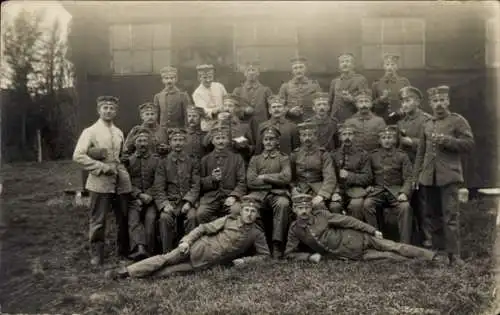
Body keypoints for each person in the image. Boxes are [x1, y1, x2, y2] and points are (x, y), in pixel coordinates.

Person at [105, 195, 271, 280]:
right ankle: (126, 272)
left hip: (207, 263)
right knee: (165, 259)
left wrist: (246, 261)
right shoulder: (228, 219)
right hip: (196, 248)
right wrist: (186, 241)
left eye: (253, 211)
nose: (249, 214)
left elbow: (265, 256)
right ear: (241, 211)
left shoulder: (257, 234)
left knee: (168, 273)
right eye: (246, 211)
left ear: (257, 215)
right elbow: (202, 228)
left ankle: (137, 276)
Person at [285, 194, 444, 264]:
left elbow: (348, 221)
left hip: (362, 237)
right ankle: (416, 262)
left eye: (306, 206)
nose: (304, 211)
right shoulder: (295, 229)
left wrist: (371, 230)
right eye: (300, 208)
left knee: (394, 246)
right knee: (390, 257)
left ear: (311, 207)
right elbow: (290, 254)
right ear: (294, 210)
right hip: (352, 254)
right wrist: (308, 257)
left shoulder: (322, 216)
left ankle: (432, 257)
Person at [413, 85, 474, 266]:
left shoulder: (457, 121)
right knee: (432, 215)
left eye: (442, 100)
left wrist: (448, 141)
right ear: (430, 104)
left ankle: (454, 255)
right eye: (435, 101)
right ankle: (439, 252)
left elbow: (469, 144)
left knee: (450, 216)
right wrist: (416, 176)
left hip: (449, 176)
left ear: (448, 101)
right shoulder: (427, 124)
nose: (439, 104)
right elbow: (420, 153)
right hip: (428, 177)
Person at [73, 95, 132, 265]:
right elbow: (78, 155)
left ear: (116, 111)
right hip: (100, 182)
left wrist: (123, 162)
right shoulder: (90, 131)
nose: (108, 111)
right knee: (98, 219)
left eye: (112, 108)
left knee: (123, 217)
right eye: (105, 108)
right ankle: (97, 254)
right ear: (98, 110)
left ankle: (122, 252)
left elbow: (122, 155)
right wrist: (101, 167)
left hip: (119, 182)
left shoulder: (119, 132)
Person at [187, 124, 247, 230]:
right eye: (217, 138)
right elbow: (199, 183)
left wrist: (234, 196)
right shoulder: (205, 160)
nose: (220, 141)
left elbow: (242, 181)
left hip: (230, 195)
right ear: (212, 141)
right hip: (210, 198)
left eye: (223, 138)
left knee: (236, 211)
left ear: (228, 140)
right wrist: (211, 179)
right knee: (201, 214)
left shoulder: (237, 158)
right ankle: (208, 242)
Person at [152, 128, 200, 253]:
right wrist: (164, 204)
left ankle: (191, 251)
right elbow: (158, 187)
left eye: (181, 140)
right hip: (170, 201)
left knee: (192, 217)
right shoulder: (163, 163)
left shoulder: (192, 161)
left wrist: (189, 202)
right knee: (164, 218)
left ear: (185, 142)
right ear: (170, 142)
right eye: (175, 140)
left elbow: (196, 185)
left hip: (186, 201)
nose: (178, 143)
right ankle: (167, 253)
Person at [247, 125, 292, 258]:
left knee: (283, 204)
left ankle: (277, 244)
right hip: (258, 195)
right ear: (262, 141)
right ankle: (257, 244)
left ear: (277, 141)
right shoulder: (255, 159)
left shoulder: (283, 158)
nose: (268, 142)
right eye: (266, 139)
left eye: (272, 139)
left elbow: (286, 178)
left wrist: (265, 177)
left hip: (278, 194)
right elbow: (251, 181)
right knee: (249, 206)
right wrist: (274, 181)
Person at [363, 126, 413, 244]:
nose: (387, 140)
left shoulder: (402, 155)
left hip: (396, 191)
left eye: (389, 137)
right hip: (378, 190)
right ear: (379, 141)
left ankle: (405, 243)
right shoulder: (372, 155)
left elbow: (409, 177)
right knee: (367, 204)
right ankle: (376, 239)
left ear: (395, 140)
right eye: (384, 138)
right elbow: (367, 175)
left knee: (405, 207)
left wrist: (404, 192)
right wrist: (368, 185)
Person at [125, 128, 161, 259]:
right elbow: (126, 182)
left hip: (152, 199)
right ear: (134, 143)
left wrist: (149, 195)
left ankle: (150, 250)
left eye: (145, 140)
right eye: (139, 141)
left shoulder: (156, 161)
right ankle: (139, 249)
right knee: (133, 219)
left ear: (149, 143)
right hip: (135, 199)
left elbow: (159, 181)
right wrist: (139, 195)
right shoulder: (129, 161)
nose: (143, 144)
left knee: (150, 220)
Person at [290, 121, 337, 211]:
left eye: (310, 135)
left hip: (318, 188)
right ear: (300, 138)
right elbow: (290, 177)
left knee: (319, 206)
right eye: (304, 135)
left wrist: (322, 195)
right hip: (300, 189)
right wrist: (293, 188)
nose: (307, 138)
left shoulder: (323, 154)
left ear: (315, 137)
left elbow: (330, 177)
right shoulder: (295, 154)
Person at [329, 124, 372, 217]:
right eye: (344, 134)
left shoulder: (363, 155)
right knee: (334, 206)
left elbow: (368, 177)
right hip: (339, 190)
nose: (347, 137)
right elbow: (330, 177)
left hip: (356, 190)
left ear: (354, 136)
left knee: (356, 206)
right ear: (340, 137)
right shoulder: (333, 155)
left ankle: (355, 231)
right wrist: (335, 192)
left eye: (350, 134)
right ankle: (339, 232)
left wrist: (349, 175)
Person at [204, 94, 255, 162]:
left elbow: (251, 148)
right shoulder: (215, 124)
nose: (227, 108)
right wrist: (220, 123)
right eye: (225, 105)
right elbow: (205, 143)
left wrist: (241, 141)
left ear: (236, 109)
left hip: (237, 162)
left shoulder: (244, 126)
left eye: (230, 106)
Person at [232, 61, 273, 139]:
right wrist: (244, 110)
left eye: (253, 70)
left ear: (258, 73)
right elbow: (233, 109)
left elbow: (272, 109)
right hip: (243, 127)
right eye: (248, 70)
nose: (251, 73)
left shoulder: (266, 90)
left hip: (261, 126)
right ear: (244, 73)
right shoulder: (238, 91)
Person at [278, 56, 322, 123]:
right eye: (295, 68)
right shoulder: (285, 86)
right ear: (292, 71)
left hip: (310, 122)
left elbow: (321, 104)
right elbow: (279, 106)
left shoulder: (314, 85)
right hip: (291, 122)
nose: (298, 70)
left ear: (305, 69)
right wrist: (289, 111)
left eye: (301, 67)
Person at [328, 53, 369, 123]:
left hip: (353, 118)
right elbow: (330, 102)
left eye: (347, 61)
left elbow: (366, 102)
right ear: (339, 66)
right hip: (335, 119)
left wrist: (352, 99)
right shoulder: (335, 81)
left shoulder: (360, 80)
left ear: (353, 65)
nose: (344, 64)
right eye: (342, 62)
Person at [397, 86, 433, 164]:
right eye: (402, 102)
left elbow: (432, 145)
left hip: (422, 163)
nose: (404, 105)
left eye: (407, 101)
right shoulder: (401, 122)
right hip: (405, 165)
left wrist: (412, 142)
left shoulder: (427, 120)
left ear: (417, 102)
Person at [372, 54, 411, 123]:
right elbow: (372, 104)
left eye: (393, 65)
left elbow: (410, 100)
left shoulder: (404, 82)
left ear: (397, 67)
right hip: (382, 118)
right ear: (383, 66)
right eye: (387, 64)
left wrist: (403, 110)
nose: (390, 67)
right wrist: (381, 99)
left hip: (401, 117)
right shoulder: (376, 83)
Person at [192, 64, 228, 131]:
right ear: (199, 78)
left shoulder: (219, 86)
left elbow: (227, 100)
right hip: (209, 125)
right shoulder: (197, 93)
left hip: (223, 123)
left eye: (210, 77)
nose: (208, 80)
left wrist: (226, 107)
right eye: (205, 77)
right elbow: (203, 111)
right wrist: (216, 110)